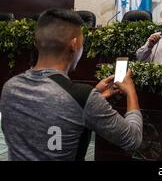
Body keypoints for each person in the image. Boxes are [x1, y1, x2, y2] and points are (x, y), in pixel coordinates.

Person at [0, 9, 143, 161]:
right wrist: (131, 92)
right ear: (74, 45)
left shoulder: (10, 87)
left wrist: (91, 98)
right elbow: (132, 139)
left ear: (36, 43)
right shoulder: (82, 96)